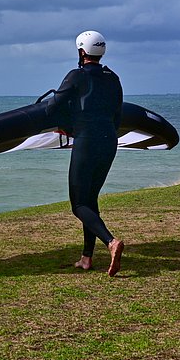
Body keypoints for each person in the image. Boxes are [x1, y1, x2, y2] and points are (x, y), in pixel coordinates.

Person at [46, 30, 125, 276]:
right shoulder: (113, 78)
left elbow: (52, 108)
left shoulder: (76, 76)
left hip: (87, 141)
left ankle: (111, 242)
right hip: (109, 142)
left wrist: (67, 126)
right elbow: (117, 115)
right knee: (90, 200)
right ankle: (86, 258)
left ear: (81, 52)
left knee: (79, 204)